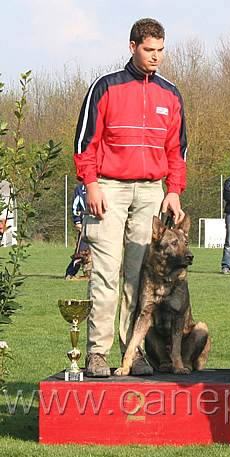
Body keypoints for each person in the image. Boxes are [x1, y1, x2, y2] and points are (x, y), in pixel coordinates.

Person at [74, 18, 187, 378]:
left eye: (160, 50)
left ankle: (132, 352)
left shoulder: (170, 94)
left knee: (137, 279)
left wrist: (173, 191)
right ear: (132, 46)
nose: (156, 57)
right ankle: (96, 352)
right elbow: (84, 143)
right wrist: (90, 184)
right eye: (148, 50)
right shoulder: (105, 87)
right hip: (108, 188)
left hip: (152, 191)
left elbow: (177, 151)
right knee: (106, 272)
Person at [64, 183, 88, 280]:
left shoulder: (102, 185)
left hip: (99, 224)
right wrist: (77, 221)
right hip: (84, 224)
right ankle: (70, 273)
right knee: (80, 252)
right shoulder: (79, 189)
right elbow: (75, 206)